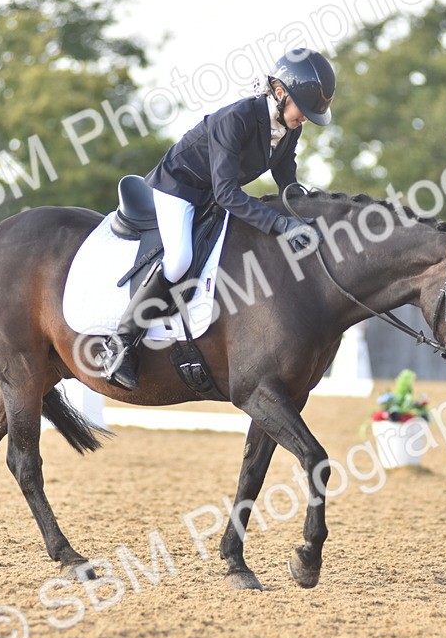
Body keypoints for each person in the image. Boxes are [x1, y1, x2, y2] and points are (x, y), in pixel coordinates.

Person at [100, 48, 336, 391]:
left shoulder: (289, 127)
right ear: (281, 92)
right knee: (180, 259)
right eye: (304, 110)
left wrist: (310, 214)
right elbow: (227, 193)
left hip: (210, 196)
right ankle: (121, 344)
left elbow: (288, 181)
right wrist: (281, 225)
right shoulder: (237, 119)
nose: (306, 120)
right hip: (178, 187)